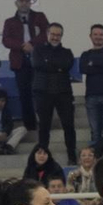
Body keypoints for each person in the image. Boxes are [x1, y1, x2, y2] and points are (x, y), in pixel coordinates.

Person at [2, 0, 49, 132]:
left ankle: (45, 122)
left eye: (26, 1)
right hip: (19, 61)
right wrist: (22, 46)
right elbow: (6, 40)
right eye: (21, 1)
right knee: (24, 94)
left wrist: (32, 44)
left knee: (41, 92)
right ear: (16, 3)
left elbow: (46, 33)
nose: (24, 3)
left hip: (39, 60)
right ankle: (30, 126)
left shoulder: (39, 17)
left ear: (30, 3)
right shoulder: (9, 22)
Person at [30, 22, 77, 164]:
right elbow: (37, 64)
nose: (55, 37)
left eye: (58, 35)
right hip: (42, 93)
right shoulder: (37, 50)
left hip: (63, 93)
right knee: (44, 126)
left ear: (62, 36)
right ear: (47, 34)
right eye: (53, 34)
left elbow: (66, 65)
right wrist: (57, 67)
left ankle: (72, 156)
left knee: (68, 125)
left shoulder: (67, 52)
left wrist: (48, 64)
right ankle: (42, 157)